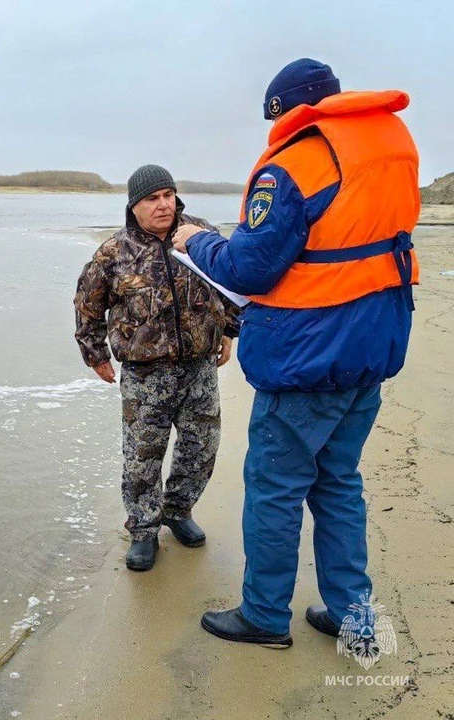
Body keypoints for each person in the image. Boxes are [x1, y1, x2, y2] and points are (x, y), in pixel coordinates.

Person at [172, 59, 419, 648]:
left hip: (307, 358)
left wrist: (194, 240)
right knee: (338, 483)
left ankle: (262, 614)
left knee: (274, 486)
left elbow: (249, 268)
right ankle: (353, 617)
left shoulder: (296, 163)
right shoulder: (391, 148)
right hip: (373, 347)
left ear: (284, 111)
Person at [74, 164, 238, 572]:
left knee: (201, 448)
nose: (163, 204)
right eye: (152, 198)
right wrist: (94, 354)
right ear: (134, 206)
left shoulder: (200, 235)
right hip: (145, 375)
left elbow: (231, 283)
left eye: (168, 195)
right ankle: (144, 530)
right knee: (142, 455)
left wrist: (230, 331)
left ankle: (178, 511)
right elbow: (87, 307)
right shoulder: (113, 253)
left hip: (199, 367)